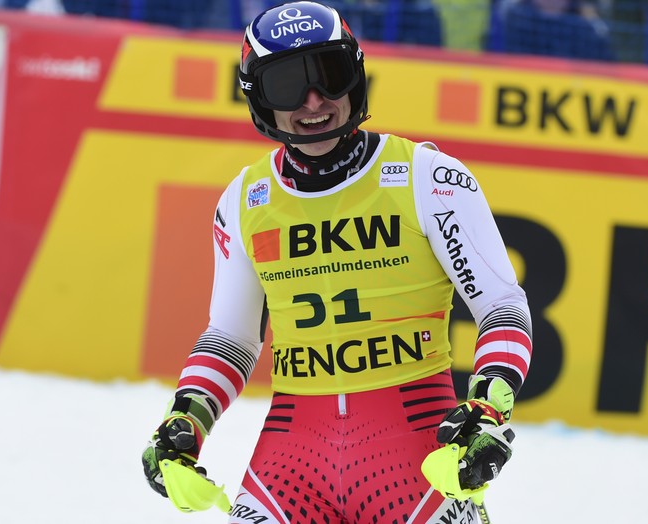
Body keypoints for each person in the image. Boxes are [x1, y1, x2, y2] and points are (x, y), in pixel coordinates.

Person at [140, 2, 533, 522]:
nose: (313, 101)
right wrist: (184, 422)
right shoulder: (243, 200)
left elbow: (501, 306)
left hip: (419, 463)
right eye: (286, 84)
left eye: (330, 73)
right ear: (258, 98)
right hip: (290, 466)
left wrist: (487, 410)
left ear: (356, 77)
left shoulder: (429, 178)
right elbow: (231, 339)